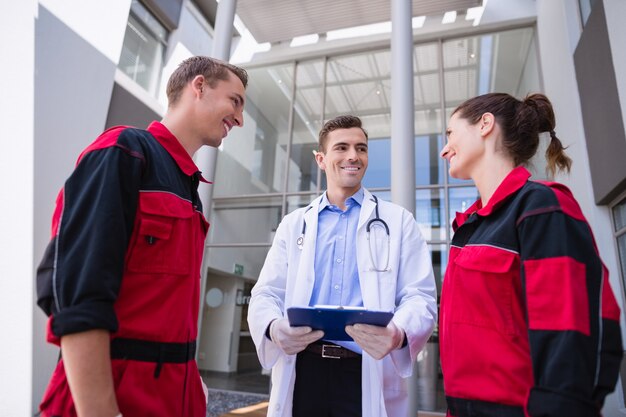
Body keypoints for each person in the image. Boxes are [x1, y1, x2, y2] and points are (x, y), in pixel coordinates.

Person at [35, 56, 248, 417]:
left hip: (172, 400)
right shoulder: (124, 151)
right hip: (111, 402)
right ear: (199, 86)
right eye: (235, 101)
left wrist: (187, 376)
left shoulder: (187, 185)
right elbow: (77, 297)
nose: (239, 120)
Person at [439, 92, 622, 417]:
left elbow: (571, 331)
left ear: (485, 124)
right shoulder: (470, 226)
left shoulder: (541, 208)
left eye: (450, 133)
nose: (444, 149)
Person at [248, 115, 437, 417]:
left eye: (360, 148)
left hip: (364, 371)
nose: (353, 156)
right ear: (321, 159)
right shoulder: (294, 224)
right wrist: (272, 328)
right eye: (342, 147)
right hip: (304, 370)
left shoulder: (398, 222)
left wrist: (399, 333)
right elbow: (266, 294)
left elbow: (420, 297)